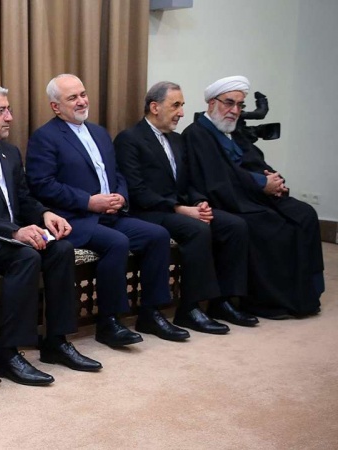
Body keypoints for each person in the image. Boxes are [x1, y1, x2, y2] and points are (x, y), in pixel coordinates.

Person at [0, 84, 101, 388]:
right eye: (2, 111)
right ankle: (8, 353)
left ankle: (56, 341)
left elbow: (24, 198)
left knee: (61, 250)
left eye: (9, 110)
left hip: (13, 233)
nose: (10, 117)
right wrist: (15, 231)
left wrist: (44, 214)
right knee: (25, 257)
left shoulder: (10, 152)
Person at [26, 74, 188, 346]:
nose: (82, 101)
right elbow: (42, 185)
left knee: (157, 235)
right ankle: (109, 322)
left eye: (83, 94)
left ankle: (151, 313)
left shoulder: (99, 132)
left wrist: (120, 196)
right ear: (56, 107)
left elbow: (117, 173)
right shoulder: (45, 137)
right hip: (75, 219)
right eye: (72, 98)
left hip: (111, 214)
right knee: (117, 242)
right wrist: (88, 201)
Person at [114, 81, 258, 330]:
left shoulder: (178, 140)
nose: (181, 112)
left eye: (182, 105)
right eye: (176, 105)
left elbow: (190, 181)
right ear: (155, 107)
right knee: (197, 229)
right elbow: (137, 191)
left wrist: (199, 202)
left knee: (235, 225)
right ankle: (189, 308)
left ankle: (222, 301)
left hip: (179, 209)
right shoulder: (130, 139)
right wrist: (179, 208)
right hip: (147, 213)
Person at [182, 75, 323, 319]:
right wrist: (260, 185)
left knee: (305, 214)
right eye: (229, 103)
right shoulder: (197, 134)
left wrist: (275, 181)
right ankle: (268, 301)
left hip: (251, 195)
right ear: (212, 103)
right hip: (227, 199)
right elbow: (218, 178)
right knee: (273, 227)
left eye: (240, 105)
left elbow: (255, 161)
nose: (234, 110)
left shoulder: (234, 131)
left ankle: (304, 294)